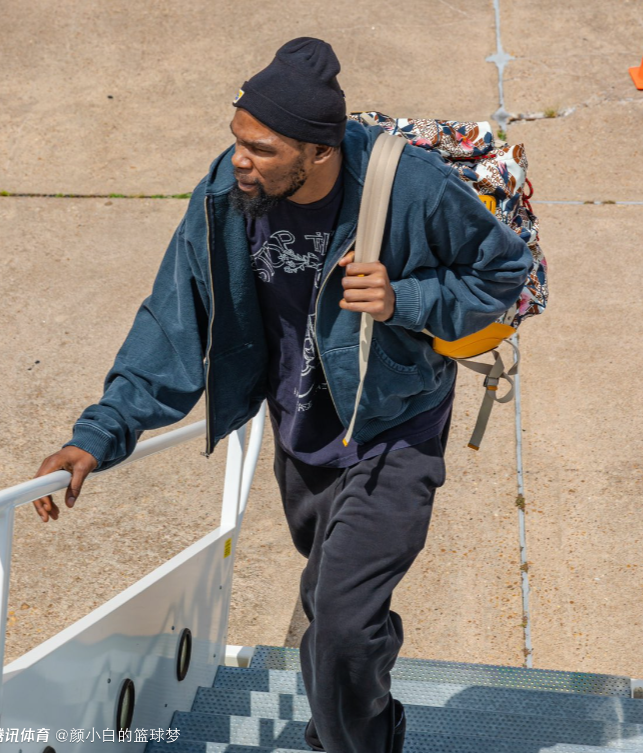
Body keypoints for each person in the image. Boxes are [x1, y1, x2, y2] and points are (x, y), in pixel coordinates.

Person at [32, 37, 532, 753]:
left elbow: (503, 272)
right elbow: (174, 321)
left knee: (339, 624)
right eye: (237, 140)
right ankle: (354, 698)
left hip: (394, 429)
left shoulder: (408, 187)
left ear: (319, 151)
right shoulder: (227, 195)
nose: (239, 159)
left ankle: (358, 738)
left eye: (261, 149)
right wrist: (98, 433)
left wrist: (406, 298)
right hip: (300, 433)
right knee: (335, 613)